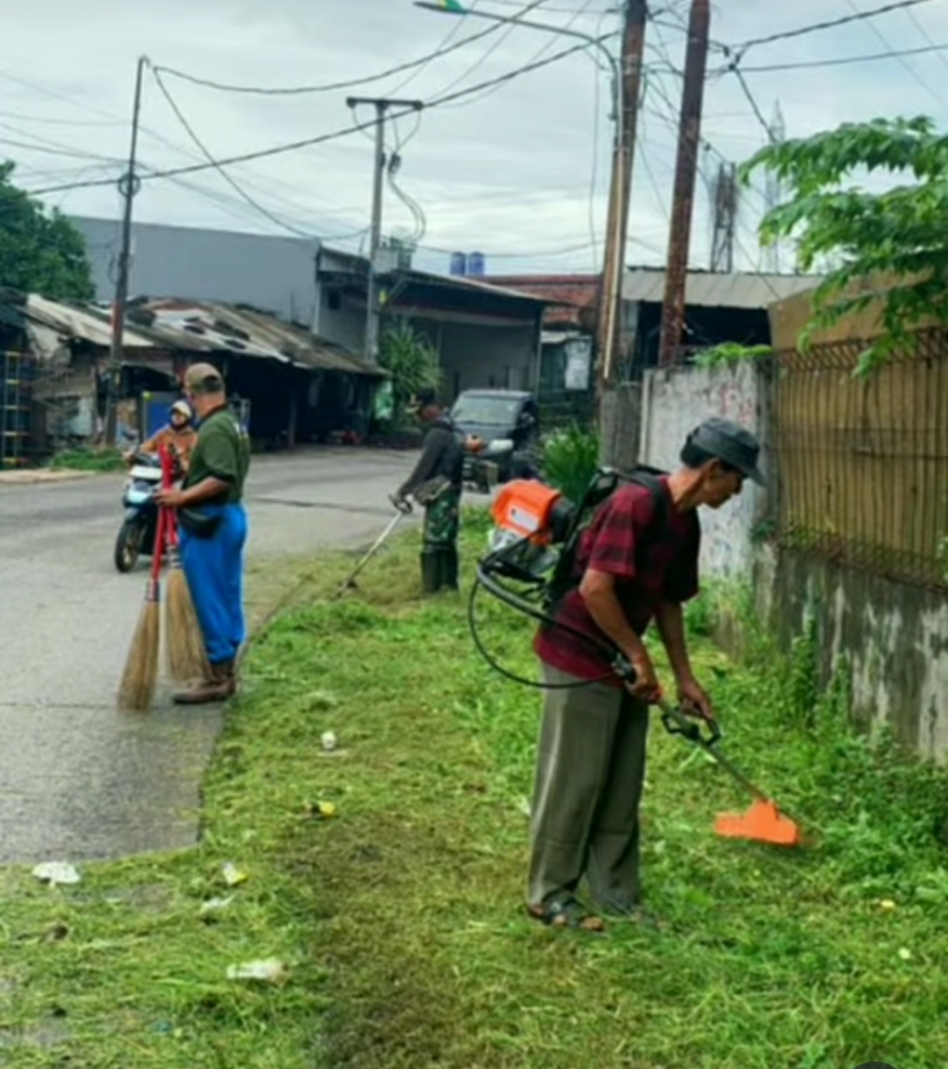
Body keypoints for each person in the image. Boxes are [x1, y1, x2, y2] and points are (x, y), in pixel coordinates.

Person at [526, 417, 766, 932]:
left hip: (619, 655)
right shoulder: (634, 504)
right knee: (576, 776)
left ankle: (614, 892)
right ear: (713, 469)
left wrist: (684, 677)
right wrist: (639, 656)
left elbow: (668, 600)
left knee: (622, 777)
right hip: (579, 651)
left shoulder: (685, 520)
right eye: (737, 478)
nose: (738, 490)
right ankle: (550, 893)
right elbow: (595, 589)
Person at [155, 364, 251, 704]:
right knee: (226, 593)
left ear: (192, 394)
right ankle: (226, 667)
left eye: (188, 394)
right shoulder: (232, 423)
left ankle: (217, 676)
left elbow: (222, 476)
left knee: (209, 597)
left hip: (212, 521)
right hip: (229, 516)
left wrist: (180, 497)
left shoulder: (214, 429)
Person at [392, 387, 466, 595]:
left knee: (434, 541)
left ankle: (432, 589)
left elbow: (425, 466)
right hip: (450, 490)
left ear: (431, 408)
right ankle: (448, 585)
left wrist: (404, 490)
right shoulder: (450, 428)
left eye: (420, 411)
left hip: (442, 491)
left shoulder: (437, 433)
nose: (418, 416)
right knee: (446, 540)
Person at [125, 399, 198, 477]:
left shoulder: (192, 436)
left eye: (180, 414)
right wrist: (135, 452)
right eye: (174, 413)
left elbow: (195, 458)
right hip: (159, 471)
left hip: (181, 475)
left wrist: (182, 460)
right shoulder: (163, 433)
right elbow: (148, 445)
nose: (176, 416)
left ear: (187, 417)